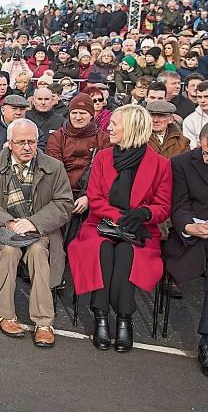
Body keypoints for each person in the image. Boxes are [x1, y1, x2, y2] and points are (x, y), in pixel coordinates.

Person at [69, 105, 172, 352]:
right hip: (101, 225)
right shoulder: (103, 157)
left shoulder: (160, 164)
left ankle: (124, 318)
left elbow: (163, 206)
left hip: (140, 230)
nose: (109, 128)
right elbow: (94, 198)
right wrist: (119, 217)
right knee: (103, 249)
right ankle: (101, 316)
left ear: (132, 128)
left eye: (115, 124)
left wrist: (144, 213)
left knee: (127, 252)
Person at [0, 119, 73, 347]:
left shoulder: (54, 167)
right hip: (0, 228)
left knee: (37, 252)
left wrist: (34, 222)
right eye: (21, 142)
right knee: (9, 251)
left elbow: (64, 204)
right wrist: (7, 221)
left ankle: (43, 323)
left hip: (39, 231)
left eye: (31, 142)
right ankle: (5, 315)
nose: (27, 147)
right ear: (9, 143)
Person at [163, 123, 208, 376]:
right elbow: (178, 205)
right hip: (191, 235)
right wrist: (190, 227)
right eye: (207, 152)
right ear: (200, 143)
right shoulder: (181, 164)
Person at [46, 94, 110, 237]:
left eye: (83, 113)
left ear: (91, 115)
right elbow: (55, 171)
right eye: (74, 113)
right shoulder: (57, 137)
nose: (78, 117)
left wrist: (88, 197)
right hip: (62, 194)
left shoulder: (104, 139)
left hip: (93, 195)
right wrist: (65, 198)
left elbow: (105, 174)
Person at [183, 80, 208, 148]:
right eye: (199, 97)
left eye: (206, 96)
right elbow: (191, 147)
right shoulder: (189, 121)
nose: (202, 100)